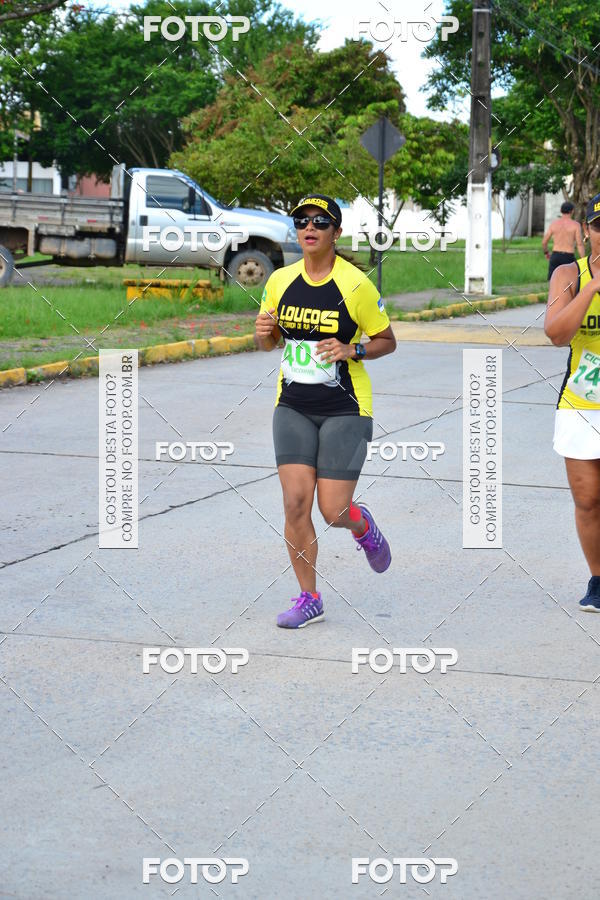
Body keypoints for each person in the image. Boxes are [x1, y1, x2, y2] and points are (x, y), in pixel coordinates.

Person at [254, 194, 397, 628]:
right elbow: (268, 343)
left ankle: (361, 525)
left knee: (333, 510)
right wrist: (264, 332)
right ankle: (309, 598)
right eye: (302, 221)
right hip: (293, 406)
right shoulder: (280, 280)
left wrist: (353, 349)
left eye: (320, 221)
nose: (309, 228)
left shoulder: (355, 285)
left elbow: (386, 340)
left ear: (336, 231)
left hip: (345, 409)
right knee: (295, 503)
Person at [545, 192, 600, 611]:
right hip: (581, 404)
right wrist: (594, 285)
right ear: (587, 230)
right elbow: (556, 333)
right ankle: (598, 579)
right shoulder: (569, 274)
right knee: (588, 499)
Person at [542, 200, 585, 280]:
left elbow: (544, 242)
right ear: (572, 211)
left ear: (561, 211)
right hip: (568, 257)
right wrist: (583, 260)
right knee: (570, 282)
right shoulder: (575, 225)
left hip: (555, 256)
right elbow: (579, 244)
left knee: (553, 281)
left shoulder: (554, 224)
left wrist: (546, 253)